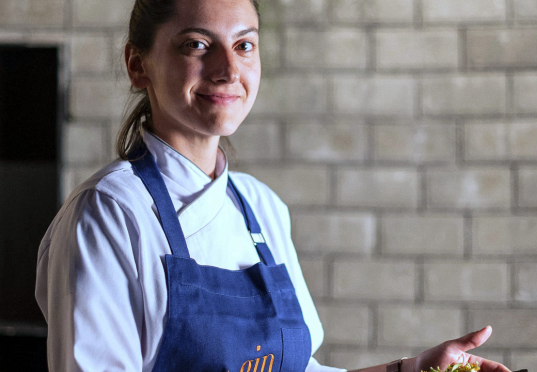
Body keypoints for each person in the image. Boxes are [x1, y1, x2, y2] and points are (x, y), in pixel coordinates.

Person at [34, 0, 512, 371]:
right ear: (138, 66)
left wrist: (411, 369)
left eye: (244, 46)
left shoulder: (260, 207)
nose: (228, 69)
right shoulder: (109, 214)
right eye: (197, 44)